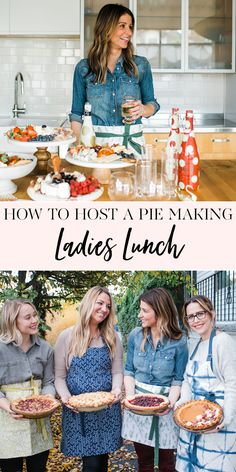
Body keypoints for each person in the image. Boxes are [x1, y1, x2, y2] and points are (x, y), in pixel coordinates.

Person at [70, 3, 159, 154]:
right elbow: (77, 114)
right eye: (122, 26)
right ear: (106, 28)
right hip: (95, 148)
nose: (129, 32)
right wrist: (79, 146)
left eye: (130, 27)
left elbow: (152, 104)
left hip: (130, 147)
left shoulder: (140, 65)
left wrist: (143, 109)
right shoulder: (84, 68)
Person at [55, 286, 123, 472]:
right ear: (88, 303)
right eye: (100, 303)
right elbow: (59, 377)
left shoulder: (112, 337)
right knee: (91, 464)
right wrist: (65, 397)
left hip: (106, 408)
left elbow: (117, 372)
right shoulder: (66, 337)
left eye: (108, 306)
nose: (104, 309)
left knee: (102, 461)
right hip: (79, 411)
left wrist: (116, 390)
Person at [122, 287, 188, 472]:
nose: (139, 315)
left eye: (144, 310)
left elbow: (178, 379)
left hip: (166, 406)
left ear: (159, 311)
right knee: (145, 462)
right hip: (139, 405)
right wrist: (132, 399)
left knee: (167, 463)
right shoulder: (136, 335)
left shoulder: (179, 341)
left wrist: (169, 404)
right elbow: (129, 371)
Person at [176, 295, 236, 472]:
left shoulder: (222, 341)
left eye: (200, 314)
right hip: (194, 420)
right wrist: (182, 403)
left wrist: (227, 418)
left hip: (217, 425)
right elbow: (188, 380)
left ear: (212, 314)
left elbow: (232, 383)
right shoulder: (196, 343)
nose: (196, 320)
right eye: (191, 316)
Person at [0, 299, 55, 472]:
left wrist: (47, 400)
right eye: (28, 317)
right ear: (12, 321)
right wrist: (7, 406)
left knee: (38, 468)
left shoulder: (46, 349)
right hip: (7, 421)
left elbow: (48, 382)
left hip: (39, 421)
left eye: (35, 315)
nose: (34, 320)